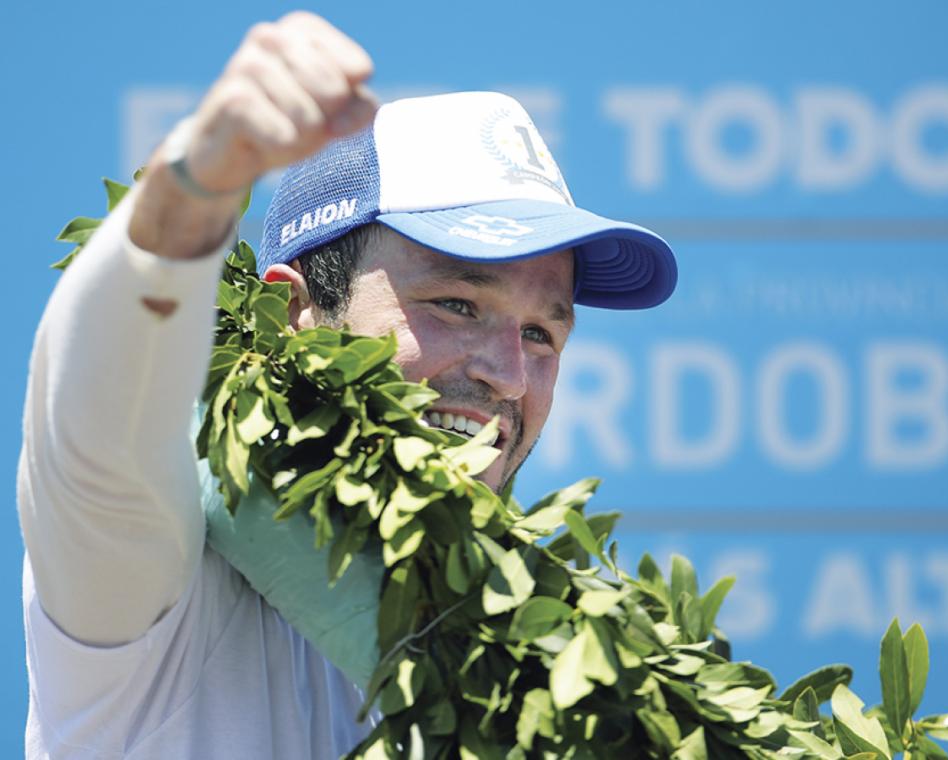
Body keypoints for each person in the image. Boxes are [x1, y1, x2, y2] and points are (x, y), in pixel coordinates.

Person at [17, 12, 675, 760]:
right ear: (294, 312)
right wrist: (191, 190)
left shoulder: (550, 673)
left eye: (540, 334)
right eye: (456, 305)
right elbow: (101, 420)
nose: (508, 374)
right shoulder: (156, 590)